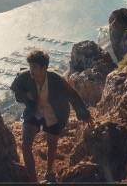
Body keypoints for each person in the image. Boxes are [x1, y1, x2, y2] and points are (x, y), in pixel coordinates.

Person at [10, 49, 92, 183]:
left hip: (55, 112)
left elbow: (72, 95)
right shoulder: (24, 76)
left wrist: (84, 114)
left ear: (44, 68)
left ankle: (49, 172)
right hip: (33, 111)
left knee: (52, 143)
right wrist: (25, 96)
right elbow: (16, 91)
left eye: (35, 67)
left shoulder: (56, 79)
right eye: (30, 66)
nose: (31, 70)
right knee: (26, 145)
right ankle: (33, 181)